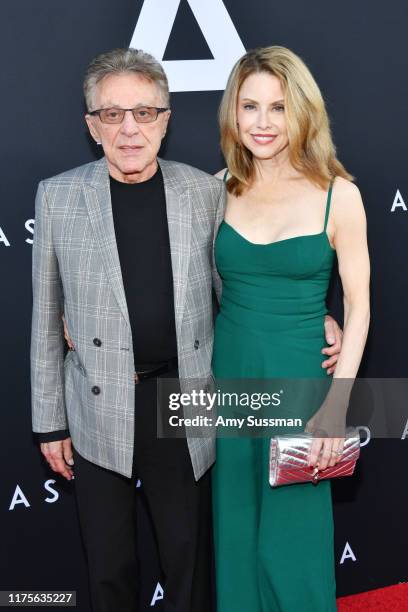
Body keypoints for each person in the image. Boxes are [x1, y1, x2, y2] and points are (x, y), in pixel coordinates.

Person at [31, 47, 343, 612]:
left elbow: (239, 280)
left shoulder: (204, 191)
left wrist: (312, 313)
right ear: (91, 124)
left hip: (187, 400)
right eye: (112, 114)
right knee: (108, 569)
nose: (129, 129)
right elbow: (44, 319)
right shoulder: (58, 197)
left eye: (144, 113)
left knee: (189, 566)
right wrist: (49, 421)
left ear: (166, 120)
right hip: (98, 405)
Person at [212, 46, 370, 612]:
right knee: (236, 533)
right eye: (248, 106)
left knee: (292, 541)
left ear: (302, 112)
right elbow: (195, 286)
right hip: (229, 379)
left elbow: (359, 307)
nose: (261, 123)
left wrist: (336, 407)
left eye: (277, 108)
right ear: (233, 112)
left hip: (301, 382)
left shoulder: (338, 195)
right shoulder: (219, 189)